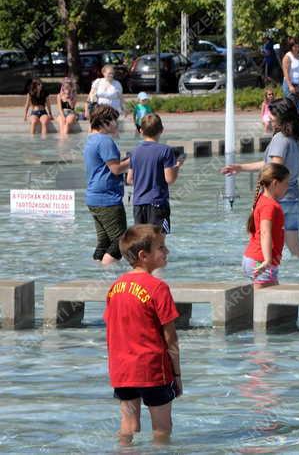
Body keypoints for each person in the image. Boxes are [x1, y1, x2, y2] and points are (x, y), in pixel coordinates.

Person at [104, 225, 182, 446]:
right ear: (143, 255)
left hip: (122, 371)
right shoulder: (158, 288)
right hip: (152, 371)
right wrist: (177, 375)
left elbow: (112, 329)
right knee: (162, 429)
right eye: (161, 248)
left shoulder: (115, 287)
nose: (167, 252)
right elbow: (171, 338)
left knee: (128, 427)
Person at [222, 99, 299, 258]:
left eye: (273, 114)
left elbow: (275, 170)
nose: (270, 118)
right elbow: (270, 163)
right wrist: (241, 168)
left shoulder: (280, 139)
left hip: (277, 199)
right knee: (294, 244)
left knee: (264, 239)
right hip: (294, 198)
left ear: (282, 116)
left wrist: (261, 198)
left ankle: (263, 270)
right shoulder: (295, 139)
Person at [85, 105, 131, 265]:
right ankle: (107, 273)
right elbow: (116, 169)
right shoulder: (105, 141)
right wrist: (135, 159)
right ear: (104, 122)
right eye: (114, 121)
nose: (116, 124)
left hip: (93, 197)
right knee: (122, 242)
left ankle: (95, 272)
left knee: (104, 243)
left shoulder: (91, 139)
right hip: (107, 198)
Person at [127, 114, 183, 235]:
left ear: (141, 130)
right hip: (157, 204)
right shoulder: (165, 150)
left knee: (142, 242)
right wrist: (177, 166)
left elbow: (129, 179)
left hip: (138, 204)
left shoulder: (134, 151)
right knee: (158, 243)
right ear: (161, 130)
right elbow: (170, 179)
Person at [242, 163, 289, 288]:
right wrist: (268, 260)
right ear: (275, 183)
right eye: (286, 183)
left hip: (253, 258)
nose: (287, 187)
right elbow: (264, 232)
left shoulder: (261, 200)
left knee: (270, 303)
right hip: (261, 261)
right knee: (267, 304)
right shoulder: (270, 206)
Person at [280, 37, 299, 109]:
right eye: (295, 46)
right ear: (291, 47)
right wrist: (290, 86)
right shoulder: (288, 57)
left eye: (298, 46)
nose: (297, 48)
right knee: (291, 108)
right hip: (290, 86)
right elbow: (285, 72)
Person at [57, 72, 79, 136]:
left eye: (68, 87)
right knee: (62, 123)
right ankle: (62, 141)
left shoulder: (74, 95)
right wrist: (63, 116)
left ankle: (64, 140)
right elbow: (60, 108)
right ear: (63, 88)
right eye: (65, 87)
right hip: (62, 113)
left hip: (71, 113)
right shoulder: (59, 96)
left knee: (67, 124)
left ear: (71, 87)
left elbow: (72, 107)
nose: (66, 88)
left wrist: (69, 99)